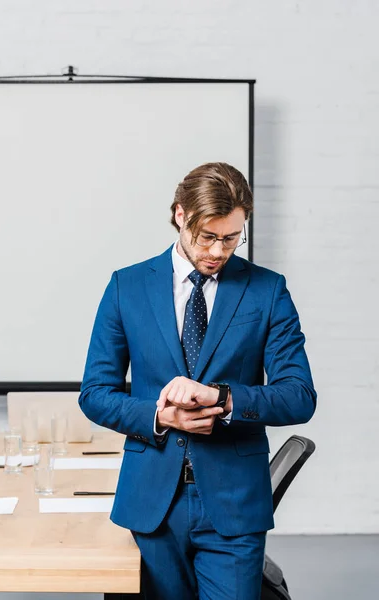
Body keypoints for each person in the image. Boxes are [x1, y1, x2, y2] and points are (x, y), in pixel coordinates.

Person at [78, 162, 317, 600]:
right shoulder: (126, 287)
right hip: (152, 502)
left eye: (231, 237)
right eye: (207, 237)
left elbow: (299, 397)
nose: (218, 251)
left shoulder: (267, 290)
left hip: (234, 504)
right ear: (180, 215)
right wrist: (159, 415)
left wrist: (223, 398)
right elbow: (95, 394)